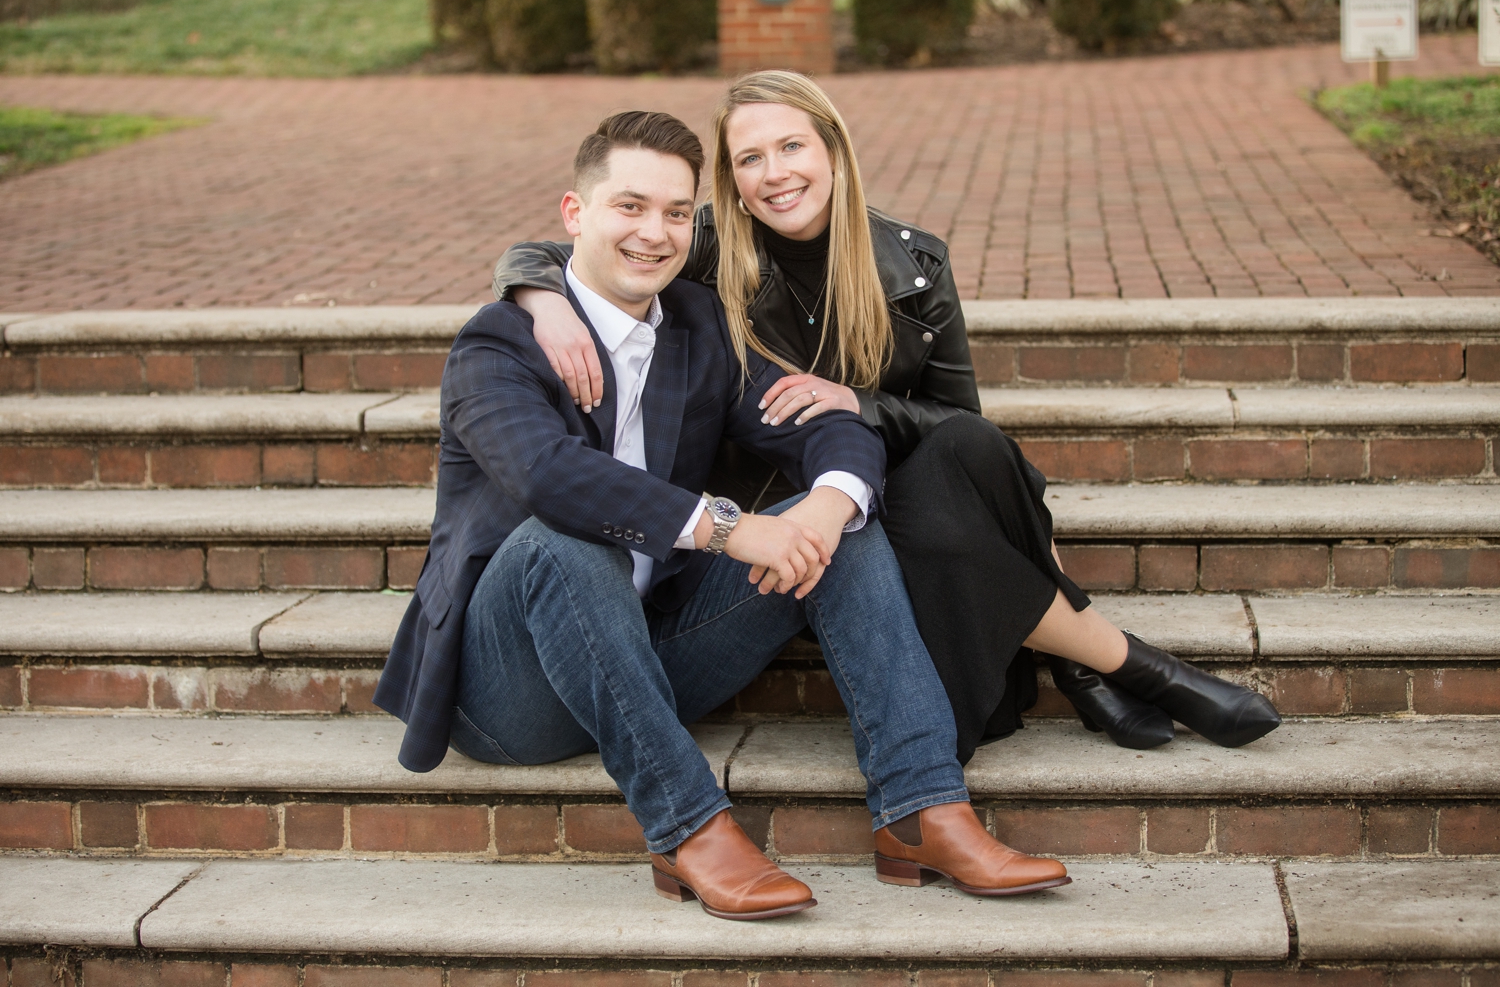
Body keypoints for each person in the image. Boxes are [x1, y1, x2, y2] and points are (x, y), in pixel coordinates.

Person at [375, 110, 1073, 923]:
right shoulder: (495, 348)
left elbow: (821, 420)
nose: (656, 233)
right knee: (563, 543)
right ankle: (691, 829)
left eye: (676, 212)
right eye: (630, 207)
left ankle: (924, 813)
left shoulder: (699, 325)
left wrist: (824, 502)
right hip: (508, 693)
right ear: (575, 216)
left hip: (656, 651)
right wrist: (734, 527)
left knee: (837, 525)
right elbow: (553, 479)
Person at [492, 72, 1282, 760]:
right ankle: (1115, 663)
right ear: (729, 183)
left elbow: (958, 420)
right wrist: (538, 298)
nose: (776, 174)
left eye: (793, 147)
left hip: (897, 492)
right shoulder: (697, 247)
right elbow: (565, 243)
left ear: (833, 150)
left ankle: (1093, 665)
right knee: (934, 509)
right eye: (749, 159)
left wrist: (860, 405)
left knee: (969, 453)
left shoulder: (914, 263)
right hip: (789, 522)